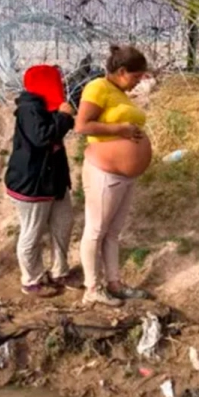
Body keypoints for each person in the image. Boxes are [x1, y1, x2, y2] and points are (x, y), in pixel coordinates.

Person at [75, 45, 153, 307]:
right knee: (96, 230)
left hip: (125, 175)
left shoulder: (118, 92)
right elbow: (82, 125)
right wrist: (121, 129)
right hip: (104, 171)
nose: (137, 83)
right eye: (135, 77)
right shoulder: (97, 87)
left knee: (112, 232)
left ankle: (114, 283)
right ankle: (92, 288)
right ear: (121, 71)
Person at [4, 64, 81, 298]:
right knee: (32, 232)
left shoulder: (46, 106)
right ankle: (31, 279)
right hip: (32, 184)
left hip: (53, 180)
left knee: (63, 224)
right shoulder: (29, 108)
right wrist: (64, 116)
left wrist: (62, 115)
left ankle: (60, 271)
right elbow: (42, 137)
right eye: (57, 81)